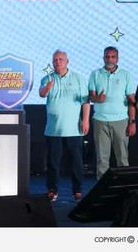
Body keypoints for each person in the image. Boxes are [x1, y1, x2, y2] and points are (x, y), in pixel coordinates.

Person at [39, 50, 90, 202]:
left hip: (74, 129)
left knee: (76, 162)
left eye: (61, 59)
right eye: (55, 60)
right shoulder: (47, 78)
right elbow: (42, 94)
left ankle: (77, 191)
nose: (58, 62)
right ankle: (52, 190)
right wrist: (47, 88)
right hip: (53, 129)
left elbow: (85, 101)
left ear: (67, 61)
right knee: (53, 162)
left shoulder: (78, 78)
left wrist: (85, 120)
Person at [87, 46, 137, 179]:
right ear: (103, 58)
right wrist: (97, 98)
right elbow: (91, 97)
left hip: (121, 120)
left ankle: (124, 185)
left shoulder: (126, 74)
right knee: (102, 158)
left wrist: (132, 122)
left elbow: (131, 100)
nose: (110, 59)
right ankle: (102, 186)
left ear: (117, 58)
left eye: (113, 57)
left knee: (122, 157)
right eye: (107, 57)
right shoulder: (95, 74)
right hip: (100, 120)